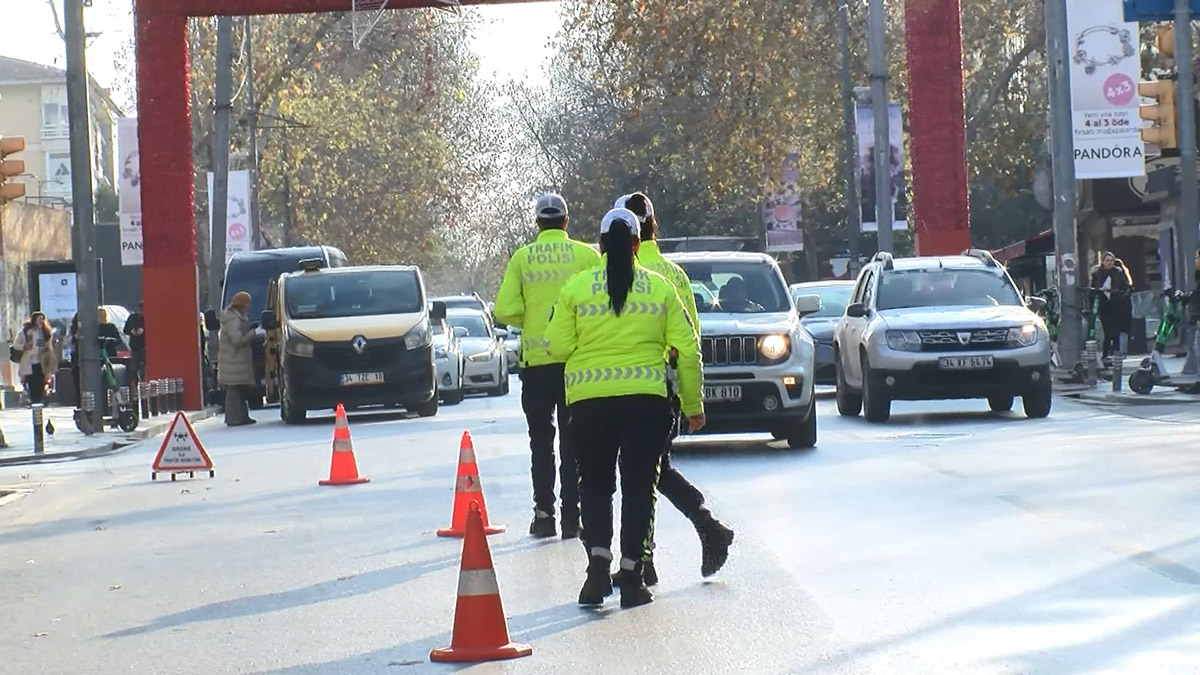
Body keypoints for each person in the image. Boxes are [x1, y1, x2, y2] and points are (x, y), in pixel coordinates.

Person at [546, 208, 704, 608]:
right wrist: (692, 404)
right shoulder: (659, 288)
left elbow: (559, 346)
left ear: (600, 246)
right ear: (637, 244)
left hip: (588, 406)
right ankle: (633, 578)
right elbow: (686, 349)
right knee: (639, 488)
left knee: (595, 485)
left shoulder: (576, 290)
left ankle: (597, 571)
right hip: (646, 404)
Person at [614, 192, 734, 582]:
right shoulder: (675, 275)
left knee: (644, 472)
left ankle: (650, 554)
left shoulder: (611, 272)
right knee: (651, 470)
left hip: (628, 388)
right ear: (652, 225)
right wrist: (690, 399)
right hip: (662, 387)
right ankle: (683, 537)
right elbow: (690, 342)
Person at [494, 193, 601, 539]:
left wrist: (535, 318)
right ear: (566, 222)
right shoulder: (587, 255)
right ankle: (573, 517)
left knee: (541, 441)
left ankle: (544, 515)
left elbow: (504, 310)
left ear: (538, 223)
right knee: (575, 442)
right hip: (577, 363)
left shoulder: (523, 258)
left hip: (537, 364)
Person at [218, 292, 257, 427]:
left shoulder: (236, 317)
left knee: (239, 389)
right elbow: (237, 340)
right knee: (234, 390)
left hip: (235, 361)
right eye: (248, 304)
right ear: (243, 305)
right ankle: (234, 418)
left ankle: (241, 416)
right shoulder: (233, 319)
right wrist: (251, 334)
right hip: (233, 361)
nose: (249, 307)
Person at [1090, 252, 1133, 360]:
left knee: (1117, 330)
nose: (1109, 263)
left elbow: (1126, 287)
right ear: (1103, 262)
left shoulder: (1118, 273)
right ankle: (1106, 353)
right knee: (1107, 331)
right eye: (1107, 260)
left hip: (1116, 304)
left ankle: (1117, 352)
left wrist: (1121, 295)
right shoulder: (1097, 273)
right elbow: (1093, 288)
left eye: (1111, 260)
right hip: (1104, 306)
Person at [15, 312, 57, 405]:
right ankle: (34, 400)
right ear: (34, 320)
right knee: (32, 381)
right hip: (29, 361)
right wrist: (24, 346)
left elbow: (50, 346)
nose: (41, 321)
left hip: (42, 360)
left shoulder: (46, 332)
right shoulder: (25, 332)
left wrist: (48, 351)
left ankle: (40, 399)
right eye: (39, 319)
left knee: (42, 381)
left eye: (42, 319)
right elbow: (16, 345)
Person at [125, 301, 146, 382]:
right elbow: (125, 330)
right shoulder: (132, 318)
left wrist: (143, 331)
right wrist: (132, 331)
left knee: (145, 368)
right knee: (135, 369)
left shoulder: (146, 318)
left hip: (145, 346)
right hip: (135, 347)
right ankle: (136, 385)